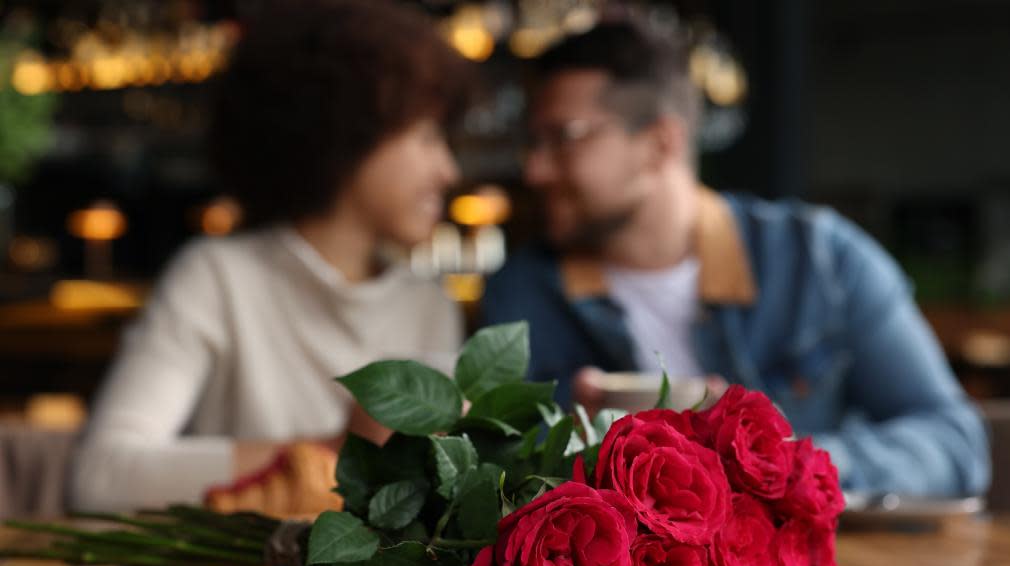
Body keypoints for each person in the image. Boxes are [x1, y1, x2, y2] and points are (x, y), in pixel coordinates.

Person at [482, 20, 990, 498]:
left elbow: (955, 444)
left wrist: (781, 462)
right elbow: (487, 468)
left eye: (563, 138)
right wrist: (569, 445)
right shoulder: (523, 293)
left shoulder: (820, 261)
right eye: (535, 142)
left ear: (660, 143)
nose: (536, 170)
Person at [72, 0, 469, 513]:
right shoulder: (218, 278)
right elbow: (102, 474)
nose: (449, 170)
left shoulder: (429, 304)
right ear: (350, 133)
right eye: (428, 137)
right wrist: (335, 452)